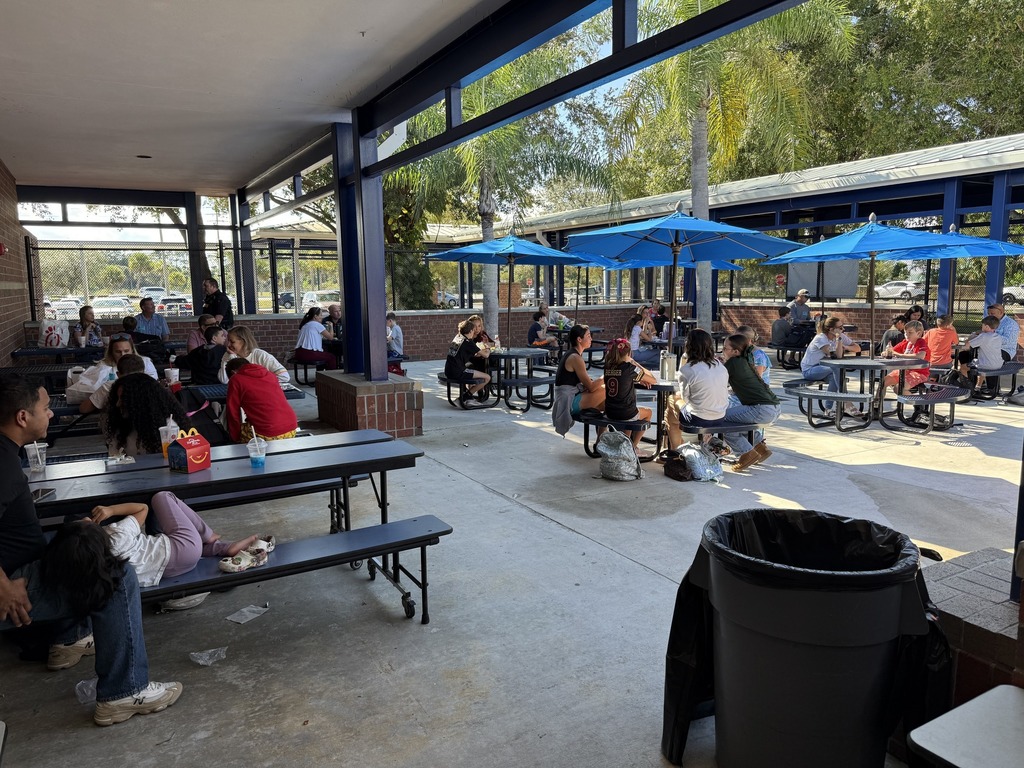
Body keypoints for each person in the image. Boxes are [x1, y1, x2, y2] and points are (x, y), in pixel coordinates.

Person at [0, 371, 182, 726]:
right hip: (16, 583)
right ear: (23, 417)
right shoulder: (2, 463)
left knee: (78, 534)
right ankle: (124, 691)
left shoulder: (7, 452)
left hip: (25, 563)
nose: (50, 414)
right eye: (45, 408)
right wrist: (3, 584)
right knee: (114, 574)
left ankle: (67, 639)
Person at [59, 493, 263, 587]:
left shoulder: (91, 562)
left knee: (176, 545)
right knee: (162, 498)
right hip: (181, 549)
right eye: (85, 521)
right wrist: (111, 510)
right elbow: (143, 508)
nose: (88, 518)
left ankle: (223, 548)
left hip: (170, 570)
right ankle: (207, 534)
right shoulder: (116, 534)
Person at [720, 334, 781, 471]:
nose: (722, 351)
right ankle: (760, 447)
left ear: (735, 352)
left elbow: (716, 382)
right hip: (773, 407)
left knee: (720, 421)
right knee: (737, 422)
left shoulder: (733, 363)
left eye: (725, 349)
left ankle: (746, 454)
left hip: (761, 409)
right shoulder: (745, 360)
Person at [664, 329, 730, 451]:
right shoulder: (720, 366)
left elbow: (686, 399)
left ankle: (675, 450)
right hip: (720, 416)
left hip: (699, 418)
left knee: (671, 400)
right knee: (674, 409)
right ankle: (680, 445)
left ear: (688, 346)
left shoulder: (687, 369)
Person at [104, 372, 191, 456]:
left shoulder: (169, 428)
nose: (118, 404)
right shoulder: (119, 426)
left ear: (141, 402)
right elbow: (114, 459)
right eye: (117, 398)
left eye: (124, 398)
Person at [66, 334, 159, 406]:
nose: (123, 355)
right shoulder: (103, 365)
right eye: (118, 352)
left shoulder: (145, 362)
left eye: (126, 351)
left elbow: (152, 384)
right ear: (111, 352)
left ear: (133, 351)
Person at [800, 317, 862, 419]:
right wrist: (839, 341)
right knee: (836, 368)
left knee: (835, 375)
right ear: (831, 329)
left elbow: (857, 348)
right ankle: (846, 402)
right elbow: (837, 356)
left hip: (826, 369)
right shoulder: (821, 338)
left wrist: (845, 347)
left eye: (843, 327)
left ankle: (828, 410)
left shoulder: (840, 336)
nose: (843, 329)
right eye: (840, 327)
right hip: (810, 370)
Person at [224, 358, 298, 442]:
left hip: (266, 433)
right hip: (291, 428)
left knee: (242, 437)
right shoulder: (270, 375)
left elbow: (232, 413)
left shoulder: (236, 379)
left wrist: (235, 438)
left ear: (233, 373)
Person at [603, 338, 656, 452]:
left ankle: (626, 444)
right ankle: (634, 446)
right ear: (629, 353)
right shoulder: (629, 368)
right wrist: (634, 363)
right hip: (625, 413)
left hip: (609, 412)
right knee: (648, 413)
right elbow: (652, 379)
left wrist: (636, 379)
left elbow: (622, 378)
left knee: (630, 413)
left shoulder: (607, 367)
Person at [551, 325, 605, 436]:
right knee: (608, 390)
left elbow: (587, 384)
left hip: (567, 399)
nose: (591, 339)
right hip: (568, 403)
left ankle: (602, 440)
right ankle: (604, 441)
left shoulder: (573, 354)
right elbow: (591, 387)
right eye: (588, 336)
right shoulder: (575, 358)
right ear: (579, 339)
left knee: (609, 406)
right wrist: (606, 376)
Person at [876, 319, 930, 408]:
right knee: (883, 382)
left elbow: (921, 355)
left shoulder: (921, 342)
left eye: (910, 332)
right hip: (903, 371)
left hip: (919, 372)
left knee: (899, 388)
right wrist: (886, 352)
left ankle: (919, 406)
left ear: (919, 333)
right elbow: (892, 351)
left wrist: (899, 354)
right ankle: (877, 406)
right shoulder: (905, 342)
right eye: (905, 332)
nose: (906, 335)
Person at [217, 325, 289, 385]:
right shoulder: (229, 355)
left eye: (232, 342)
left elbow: (284, 376)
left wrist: (257, 384)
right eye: (228, 341)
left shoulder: (260, 355)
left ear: (243, 341)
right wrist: (228, 359)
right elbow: (224, 380)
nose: (228, 345)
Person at [79, 353, 147, 415]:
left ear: (118, 374)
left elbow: (84, 409)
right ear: (144, 372)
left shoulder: (110, 386)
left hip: (116, 426)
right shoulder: (152, 386)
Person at [444, 319, 490, 404]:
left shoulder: (458, 338)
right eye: (474, 329)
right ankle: (466, 396)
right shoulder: (468, 342)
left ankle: (467, 396)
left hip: (448, 370)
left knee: (473, 369)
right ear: (471, 330)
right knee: (487, 377)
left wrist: (478, 354)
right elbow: (486, 355)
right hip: (459, 372)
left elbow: (467, 353)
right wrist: (487, 348)